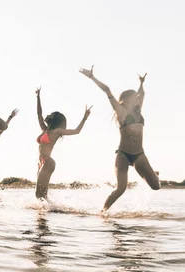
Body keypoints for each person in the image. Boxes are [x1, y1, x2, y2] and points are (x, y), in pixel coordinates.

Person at [79, 66, 160, 212]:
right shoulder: (121, 112)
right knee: (121, 188)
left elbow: (142, 94)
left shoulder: (138, 110)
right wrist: (92, 77)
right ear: (127, 99)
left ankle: (154, 174)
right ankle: (102, 212)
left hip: (139, 155)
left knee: (156, 186)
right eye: (135, 97)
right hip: (123, 154)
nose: (138, 98)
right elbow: (107, 90)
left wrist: (141, 83)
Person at [35, 87, 92, 200]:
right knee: (42, 195)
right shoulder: (44, 130)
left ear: (53, 119)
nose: (48, 115)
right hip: (42, 163)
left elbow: (76, 131)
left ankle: (45, 214)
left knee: (39, 195)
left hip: (48, 162)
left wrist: (85, 118)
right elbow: (39, 114)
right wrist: (38, 97)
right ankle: (48, 213)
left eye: (50, 114)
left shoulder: (57, 132)